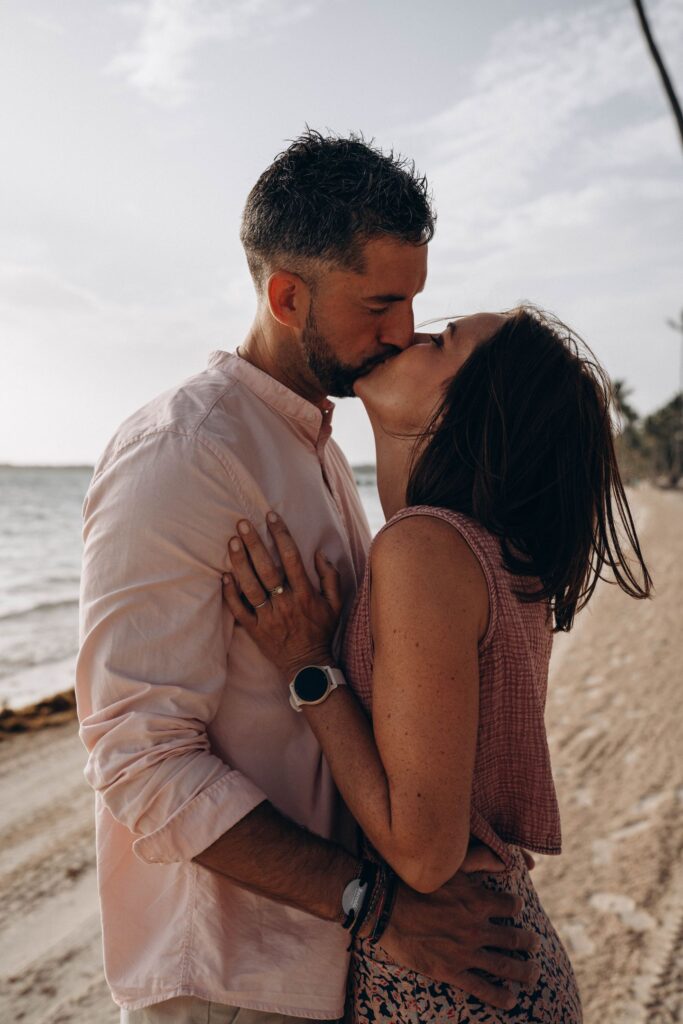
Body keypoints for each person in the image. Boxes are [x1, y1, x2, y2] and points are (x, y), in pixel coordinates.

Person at [76, 132, 542, 1024]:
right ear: (288, 297)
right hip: (228, 979)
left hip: (333, 960)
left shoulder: (318, 447)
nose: (402, 331)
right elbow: (137, 759)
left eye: (413, 301)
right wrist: (370, 903)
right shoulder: (184, 454)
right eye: (379, 304)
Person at [222, 306, 653, 1023]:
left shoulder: (424, 548)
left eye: (442, 341)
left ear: (476, 405)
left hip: (454, 984)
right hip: (488, 958)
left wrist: (308, 667)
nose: (409, 333)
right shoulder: (486, 550)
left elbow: (423, 855)